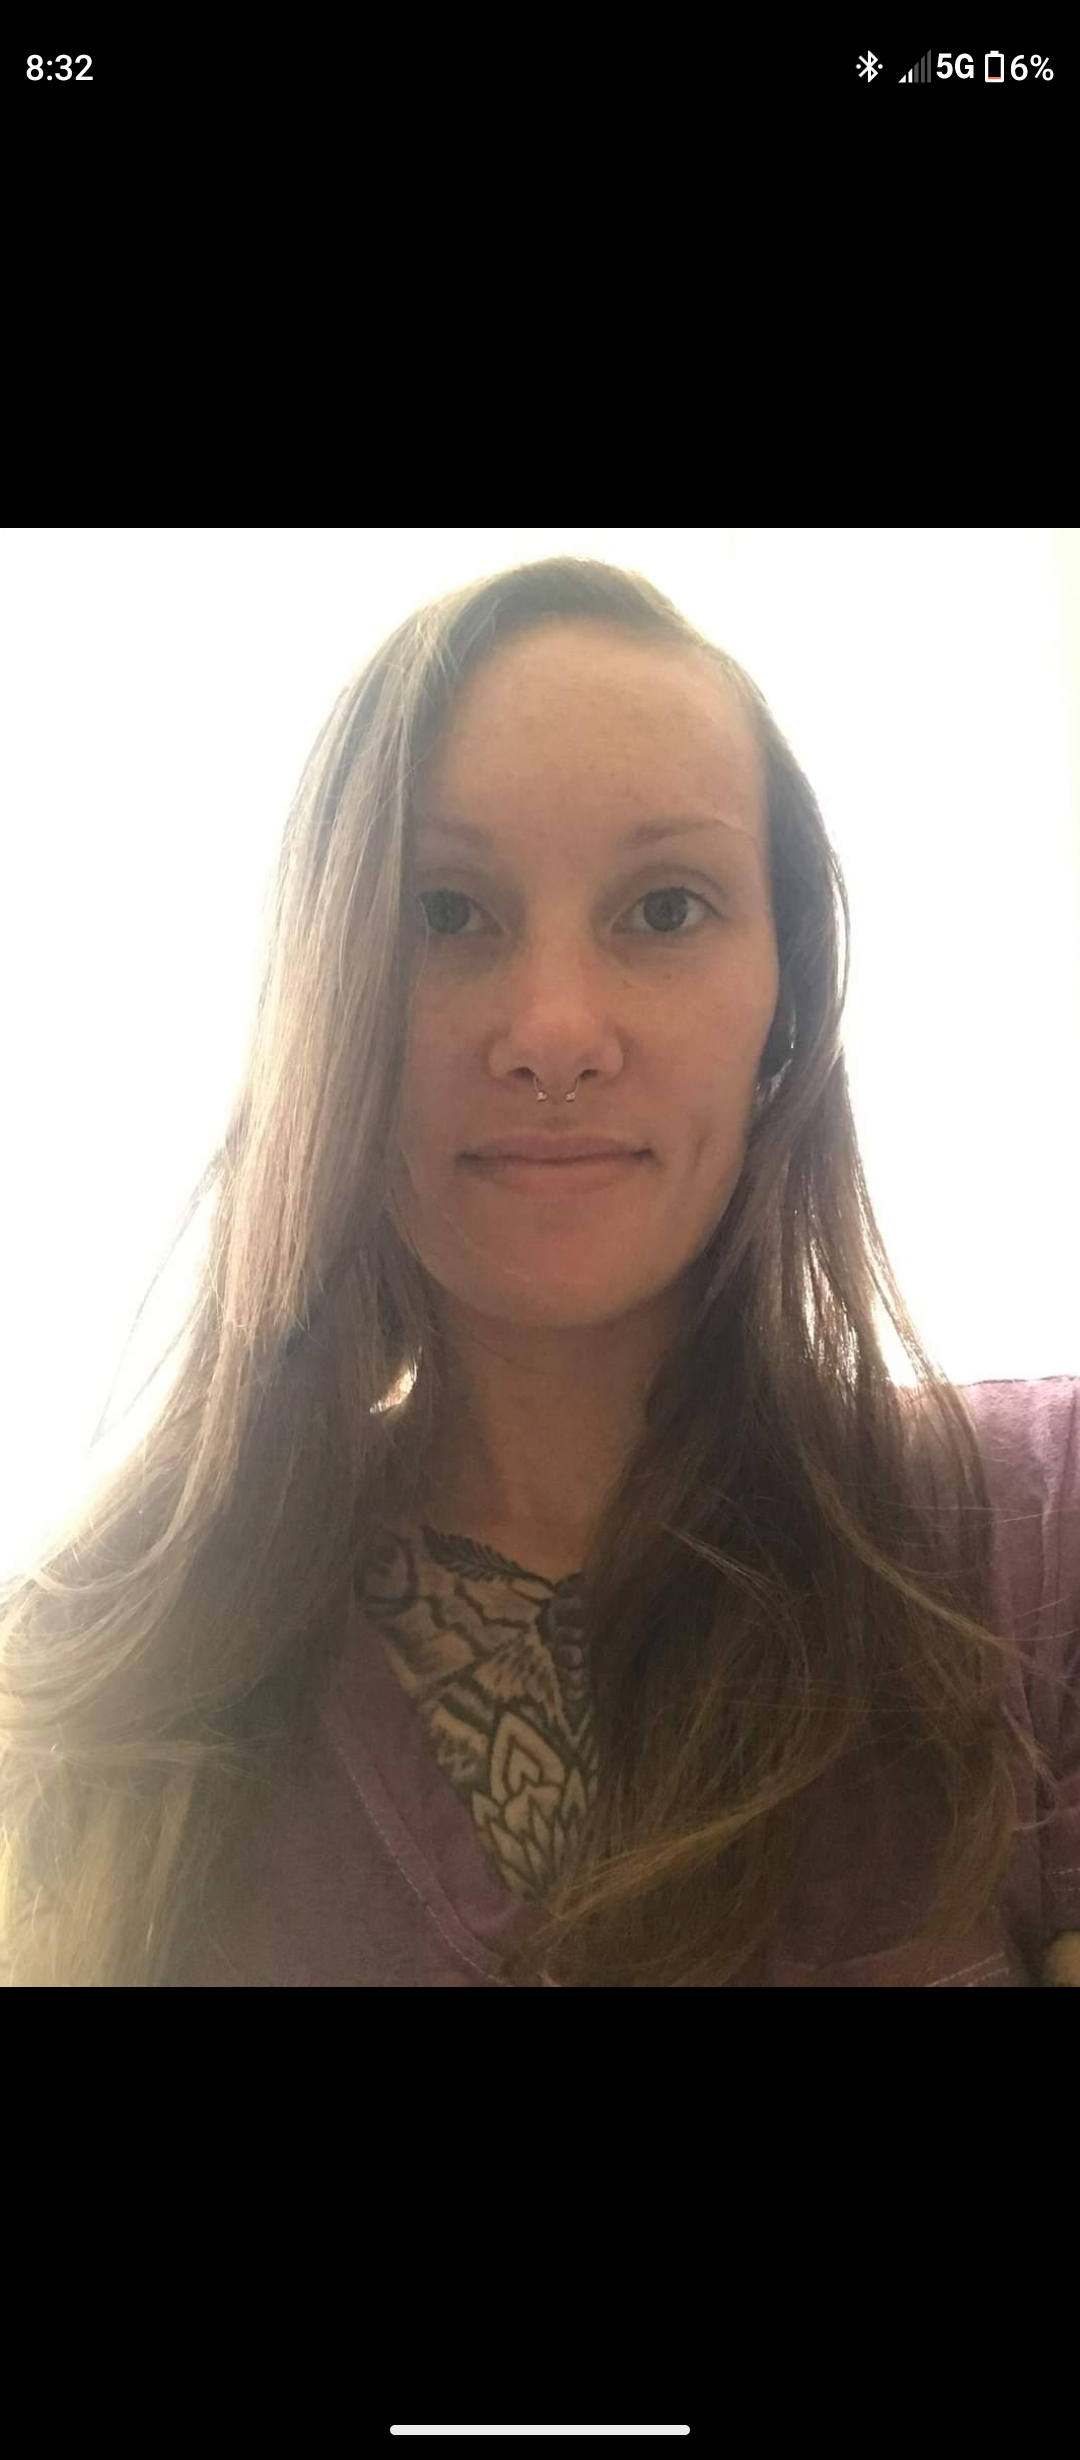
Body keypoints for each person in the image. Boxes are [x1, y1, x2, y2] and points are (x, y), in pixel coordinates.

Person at [1, 555, 1077, 1987]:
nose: (554, 1030)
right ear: (326, 1000)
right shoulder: (84, 1660)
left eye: (666, 908)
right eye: (445, 912)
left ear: (786, 1005)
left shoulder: (1036, 1543)